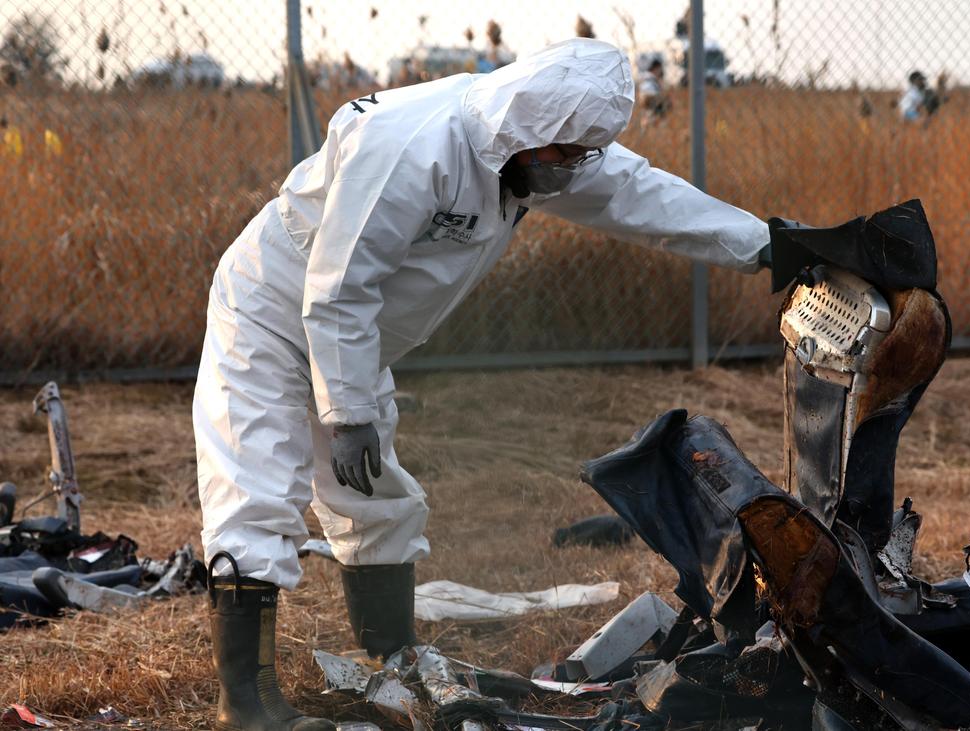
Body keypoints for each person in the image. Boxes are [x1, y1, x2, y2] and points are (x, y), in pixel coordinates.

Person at [195, 38, 792, 730]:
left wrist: (768, 244)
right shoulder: (413, 146)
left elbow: (642, 195)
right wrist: (348, 410)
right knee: (259, 481)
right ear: (531, 130)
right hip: (272, 311)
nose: (577, 169)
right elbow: (339, 284)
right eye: (568, 154)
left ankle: (396, 653)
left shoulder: (542, 153)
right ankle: (246, 700)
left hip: (353, 336)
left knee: (376, 493)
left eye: (585, 155)